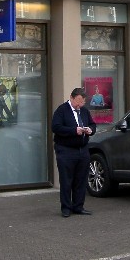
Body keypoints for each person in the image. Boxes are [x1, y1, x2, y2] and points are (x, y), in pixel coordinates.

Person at [51, 87, 96, 218]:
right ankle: (66, 207)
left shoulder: (84, 111)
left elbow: (93, 124)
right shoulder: (62, 110)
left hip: (82, 149)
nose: (79, 105)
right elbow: (56, 127)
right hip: (66, 150)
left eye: (82, 102)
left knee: (81, 180)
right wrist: (73, 131)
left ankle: (78, 206)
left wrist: (90, 130)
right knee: (66, 180)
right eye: (78, 101)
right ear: (71, 98)